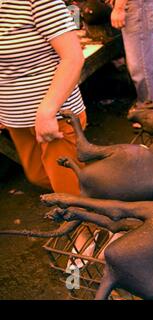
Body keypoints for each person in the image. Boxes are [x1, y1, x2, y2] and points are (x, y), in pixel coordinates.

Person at [0, 0, 87, 195]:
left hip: (54, 116)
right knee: (39, 176)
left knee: (69, 191)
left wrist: (48, 110)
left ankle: (93, 217)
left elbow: (73, 58)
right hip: (16, 118)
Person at [109, 0, 153, 104]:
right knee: (139, 63)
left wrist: (119, 8)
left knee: (141, 66)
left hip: (137, 6)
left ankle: (149, 108)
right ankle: (146, 105)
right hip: (135, 5)